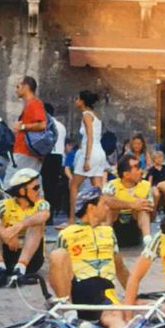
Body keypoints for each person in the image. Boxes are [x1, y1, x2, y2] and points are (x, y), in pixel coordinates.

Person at [48, 187, 128, 328]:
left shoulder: (109, 232)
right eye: (103, 204)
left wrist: (133, 295)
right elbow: (55, 270)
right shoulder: (66, 233)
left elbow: (119, 266)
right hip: (76, 290)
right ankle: (70, 315)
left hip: (103, 292)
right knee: (57, 254)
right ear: (91, 207)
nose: (107, 208)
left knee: (116, 319)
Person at [0, 168, 49, 287]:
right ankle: (0, 268)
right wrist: (4, 234)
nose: (39, 191)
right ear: (22, 191)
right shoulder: (4, 204)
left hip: (31, 259)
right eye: (35, 188)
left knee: (36, 224)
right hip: (8, 254)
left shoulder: (41, 204)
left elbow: (44, 215)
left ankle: (20, 268)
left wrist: (18, 227)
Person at [62, 90, 108, 228]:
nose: (76, 101)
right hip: (99, 152)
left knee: (74, 186)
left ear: (82, 101)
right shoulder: (95, 115)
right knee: (98, 187)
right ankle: (102, 218)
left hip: (91, 152)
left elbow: (90, 137)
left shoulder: (86, 115)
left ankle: (71, 219)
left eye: (77, 99)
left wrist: (87, 159)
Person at [102, 154, 154, 249]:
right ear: (126, 174)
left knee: (143, 208)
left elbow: (152, 215)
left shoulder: (146, 185)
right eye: (137, 168)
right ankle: (107, 240)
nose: (141, 171)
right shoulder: (111, 185)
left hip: (135, 227)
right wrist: (131, 205)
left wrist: (144, 206)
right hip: (115, 226)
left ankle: (148, 240)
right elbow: (106, 201)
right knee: (108, 208)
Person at [9, 76, 47, 178]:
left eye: (18, 87)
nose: (16, 90)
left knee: (11, 183)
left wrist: (22, 127)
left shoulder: (34, 103)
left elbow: (42, 124)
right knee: (30, 186)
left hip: (25, 152)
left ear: (25, 87)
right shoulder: (30, 104)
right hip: (26, 153)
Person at [40, 103, 66, 221]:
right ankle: (51, 213)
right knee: (53, 186)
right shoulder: (61, 126)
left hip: (48, 156)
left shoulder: (46, 125)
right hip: (59, 157)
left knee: (45, 185)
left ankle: (45, 214)